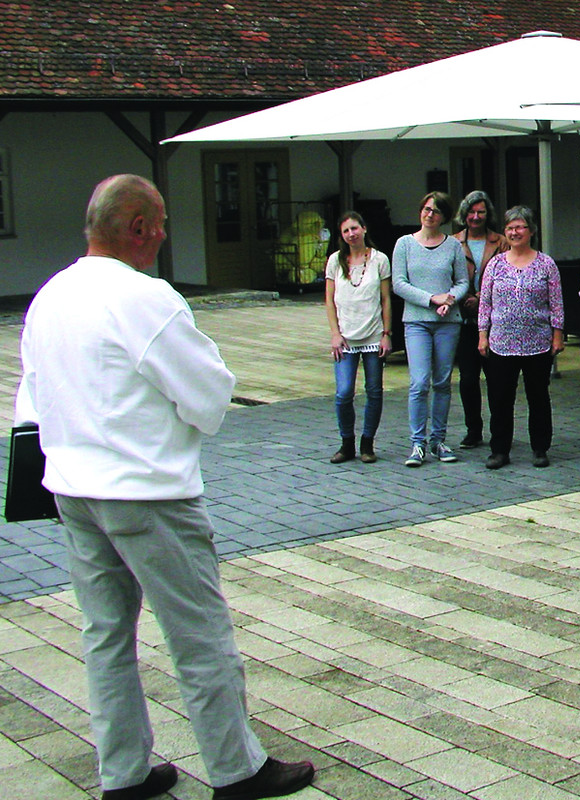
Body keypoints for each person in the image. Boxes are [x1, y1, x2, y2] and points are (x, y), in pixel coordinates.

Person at [16, 175, 314, 800]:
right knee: (199, 634)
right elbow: (208, 396)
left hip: (74, 490)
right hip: (146, 493)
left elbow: (33, 398)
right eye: (161, 224)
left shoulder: (49, 295)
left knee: (105, 637)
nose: (164, 235)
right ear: (138, 229)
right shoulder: (144, 299)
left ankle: (122, 773)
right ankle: (236, 769)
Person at [477, 206, 565, 469]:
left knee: (538, 397)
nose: (514, 232)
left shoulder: (546, 264)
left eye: (520, 227)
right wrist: (483, 335)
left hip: (537, 342)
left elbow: (556, 303)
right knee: (500, 398)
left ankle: (540, 448)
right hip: (501, 343)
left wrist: (557, 334)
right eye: (510, 228)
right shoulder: (495, 264)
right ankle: (500, 450)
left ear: (532, 231)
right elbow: (485, 303)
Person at [393, 191, 470, 468]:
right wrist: (431, 299)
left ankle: (438, 440)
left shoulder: (452, 246)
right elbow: (399, 284)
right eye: (426, 209)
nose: (429, 214)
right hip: (416, 321)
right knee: (419, 382)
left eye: (436, 211)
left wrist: (449, 298)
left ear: (444, 217)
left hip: (447, 322)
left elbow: (462, 282)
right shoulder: (404, 244)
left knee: (442, 381)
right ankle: (417, 443)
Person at [325, 210, 392, 464]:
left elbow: (385, 299)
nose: (351, 234)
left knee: (374, 391)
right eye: (346, 231)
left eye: (355, 228)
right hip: (345, 338)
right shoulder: (334, 261)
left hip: (373, 334)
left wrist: (386, 334)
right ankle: (346, 443)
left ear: (364, 228)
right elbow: (329, 301)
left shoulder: (380, 260)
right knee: (343, 393)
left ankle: (368, 443)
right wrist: (334, 333)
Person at [452, 190, 508, 450]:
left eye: (481, 212)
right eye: (472, 212)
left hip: (495, 323)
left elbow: (508, 278)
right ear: (464, 214)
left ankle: (500, 431)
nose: (476, 217)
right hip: (464, 322)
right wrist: (465, 298)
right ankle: (473, 429)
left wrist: (481, 299)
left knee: (497, 380)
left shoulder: (501, 242)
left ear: (488, 215)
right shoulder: (452, 243)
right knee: (467, 380)